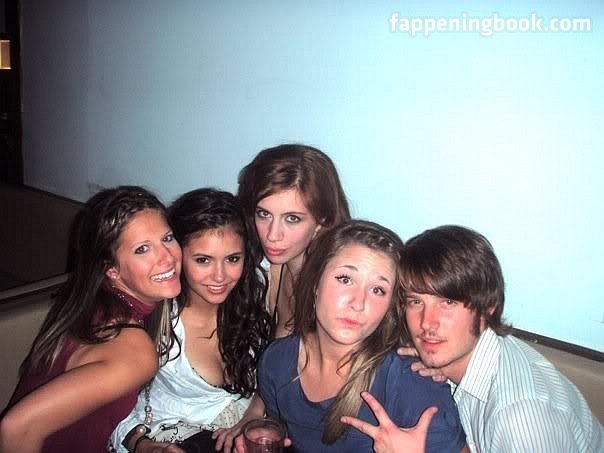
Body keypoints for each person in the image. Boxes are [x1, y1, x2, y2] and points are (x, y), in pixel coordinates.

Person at [344, 225, 603, 452]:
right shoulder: (471, 356)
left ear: (488, 307)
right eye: (416, 301)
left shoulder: (520, 418)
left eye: (448, 302)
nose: (426, 323)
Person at [251, 221, 466, 452]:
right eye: (345, 279)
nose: (358, 303)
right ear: (315, 282)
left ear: (390, 307)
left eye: (377, 290)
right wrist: (265, 433)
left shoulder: (410, 384)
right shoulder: (276, 361)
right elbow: (281, 427)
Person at [0, 186, 182, 453]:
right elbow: (16, 428)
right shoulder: (134, 350)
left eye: (167, 238)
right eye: (142, 249)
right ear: (112, 270)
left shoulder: (91, 301)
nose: (168, 257)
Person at [110, 188, 271, 453]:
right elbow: (109, 412)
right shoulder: (157, 321)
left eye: (232, 259)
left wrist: (256, 411)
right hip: (172, 435)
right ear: (178, 255)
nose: (220, 276)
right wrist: (144, 446)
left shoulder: (258, 291)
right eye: (203, 260)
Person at [238, 144, 350, 337]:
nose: (272, 235)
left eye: (292, 218)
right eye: (264, 214)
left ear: (321, 220)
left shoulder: (333, 291)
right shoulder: (268, 269)